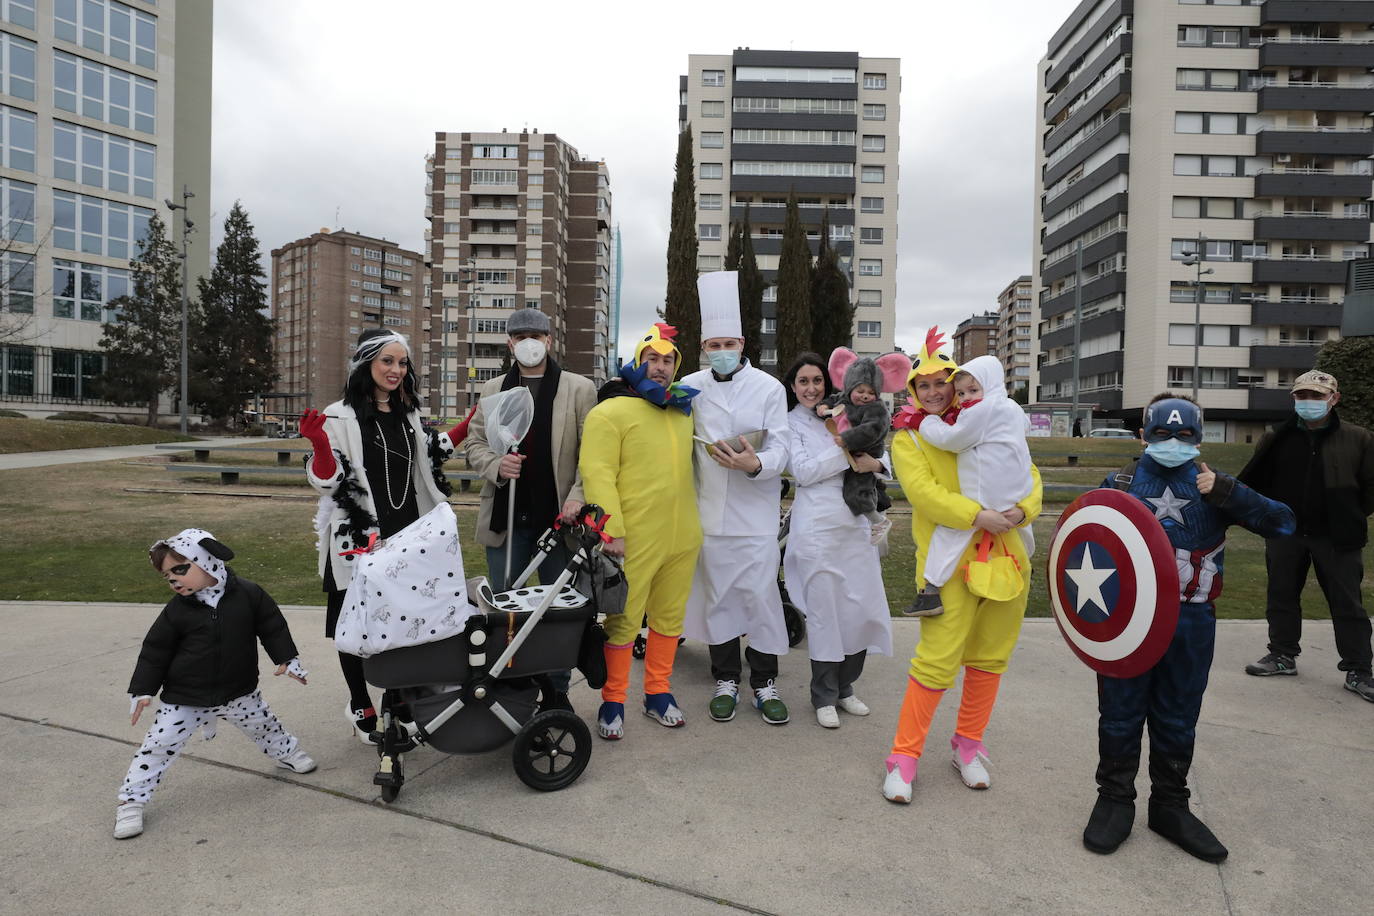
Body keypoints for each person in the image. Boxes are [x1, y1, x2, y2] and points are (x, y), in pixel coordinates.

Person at [1082, 395, 1295, 863]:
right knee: (1119, 712)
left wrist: (1228, 493)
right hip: (1128, 620)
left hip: (1191, 618)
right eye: (1162, 434)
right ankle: (1115, 797)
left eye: (1184, 435)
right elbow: (1085, 551)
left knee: (1178, 713)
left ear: (1199, 436)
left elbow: (1283, 524)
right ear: (1144, 435)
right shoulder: (1118, 483)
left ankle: (1170, 805)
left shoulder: (1214, 486)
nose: (1173, 443)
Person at [882, 327, 1042, 803]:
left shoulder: (987, 418)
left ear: (955, 383)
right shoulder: (910, 438)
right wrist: (979, 516)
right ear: (912, 391)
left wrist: (1023, 511)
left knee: (990, 658)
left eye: (940, 383)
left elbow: (1028, 472)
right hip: (947, 567)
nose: (933, 393)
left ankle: (967, 747)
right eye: (922, 385)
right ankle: (903, 757)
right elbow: (925, 496)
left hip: (1008, 557)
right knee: (935, 662)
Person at [299, 329, 466, 744]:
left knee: (405, 618)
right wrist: (320, 443)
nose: (395, 370)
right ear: (366, 364)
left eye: (402, 362)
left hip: (408, 532)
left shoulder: (408, 414)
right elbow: (327, 481)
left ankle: (400, 698)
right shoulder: (338, 417)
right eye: (387, 361)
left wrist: (470, 424)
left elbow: (431, 451)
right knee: (353, 621)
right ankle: (360, 701)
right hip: (359, 538)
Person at [115, 529, 316, 840]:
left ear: (206, 560)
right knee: (158, 745)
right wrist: (143, 689)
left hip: (239, 690)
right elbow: (155, 651)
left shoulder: (249, 594)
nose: (173, 580)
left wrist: (287, 659)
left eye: (180, 570)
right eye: (167, 575)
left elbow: (273, 627)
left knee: (264, 724)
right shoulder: (177, 611)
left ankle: (287, 752)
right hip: (185, 697)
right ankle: (131, 801)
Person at [465, 308, 596, 711]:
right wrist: (495, 465)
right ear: (509, 343)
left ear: (549, 340)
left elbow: (592, 455)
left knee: (557, 610)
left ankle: (556, 691)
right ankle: (514, 688)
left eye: (535, 335)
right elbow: (474, 445)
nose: (528, 342)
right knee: (506, 608)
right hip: (508, 521)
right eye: (520, 335)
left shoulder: (578, 389)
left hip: (560, 523)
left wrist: (577, 495)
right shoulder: (492, 391)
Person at [579, 322, 702, 739]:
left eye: (668, 361)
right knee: (624, 620)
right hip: (633, 537)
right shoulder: (609, 412)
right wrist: (612, 532)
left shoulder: (683, 411)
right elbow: (597, 473)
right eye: (652, 359)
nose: (661, 367)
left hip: (682, 535)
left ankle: (658, 693)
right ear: (637, 361)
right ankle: (613, 701)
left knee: (669, 618)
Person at [682, 271, 794, 726]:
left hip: (754, 514)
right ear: (704, 348)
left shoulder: (768, 388)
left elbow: (782, 447)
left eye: (730, 344)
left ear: (744, 343)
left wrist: (755, 464)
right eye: (714, 346)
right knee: (718, 598)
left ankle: (764, 681)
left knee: (761, 595)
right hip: (708, 513)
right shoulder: (689, 386)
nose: (722, 353)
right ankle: (725, 677)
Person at [1237, 369, 1374, 702]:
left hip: (1337, 537)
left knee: (1347, 604)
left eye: (1317, 395)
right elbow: (1254, 483)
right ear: (1294, 399)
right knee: (1281, 594)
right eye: (1302, 396)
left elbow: (1370, 489)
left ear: (1333, 398)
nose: (1309, 401)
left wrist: (1349, 515)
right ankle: (1282, 655)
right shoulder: (1276, 437)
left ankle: (1359, 670)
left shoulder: (1359, 439)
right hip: (1287, 534)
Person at [783, 353, 893, 728]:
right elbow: (805, 472)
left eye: (816, 380)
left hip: (855, 524)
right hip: (817, 526)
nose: (811, 388)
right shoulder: (791, 424)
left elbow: (883, 453)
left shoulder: (845, 410)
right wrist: (850, 455)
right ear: (793, 387)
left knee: (859, 608)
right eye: (803, 382)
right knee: (826, 612)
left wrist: (876, 465)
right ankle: (824, 694)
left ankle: (846, 688)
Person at [911, 355, 1034, 619]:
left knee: (950, 533)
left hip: (985, 492)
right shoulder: (1011, 408)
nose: (966, 398)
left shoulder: (982, 410)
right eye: (962, 392)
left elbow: (952, 439)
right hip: (1014, 491)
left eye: (973, 390)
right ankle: (1028, 556)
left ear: (990, 386)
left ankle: (930, 589)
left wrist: (924, 423)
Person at [815, 347, 912, 546]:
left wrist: (848, 439)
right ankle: (875, 517)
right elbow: (832, 400)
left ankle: (879, 521)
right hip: (849, 452)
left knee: (856, 492)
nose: (865, 396)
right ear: (850, 388)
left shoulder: (876, 409)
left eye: (871, 392)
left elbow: (872, 429)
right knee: (858, 490)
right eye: (860, 391)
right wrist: (823, 406)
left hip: (865, 452)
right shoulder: (843, 398)